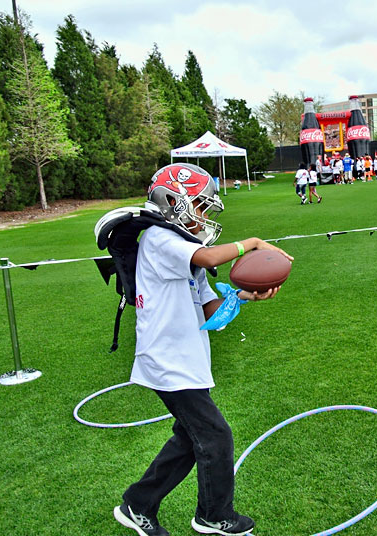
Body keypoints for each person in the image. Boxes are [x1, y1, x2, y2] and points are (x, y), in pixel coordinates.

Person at [113, 163, 292, 536]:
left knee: (189, 439)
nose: (204, 216)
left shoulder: (184, 252)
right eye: (200, 205)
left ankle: (138, 504)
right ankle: (214, 515)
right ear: (173, 202)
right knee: (215, 435)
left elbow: (211, 310)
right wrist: (252, 243)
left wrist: (245, 296)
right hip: (167, 360)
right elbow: (210, 259)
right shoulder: (159, 239)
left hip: (187, 359)